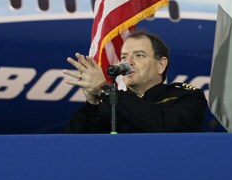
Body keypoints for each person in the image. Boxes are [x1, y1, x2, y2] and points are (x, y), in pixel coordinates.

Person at [62, 32, 206, 133]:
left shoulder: (187, 97)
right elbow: (72, 146)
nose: (128, 62)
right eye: (124, 56)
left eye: (139, 55)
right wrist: (92, 106)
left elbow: (164, 127)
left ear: (161, 65)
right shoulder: (111, 105)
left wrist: (104, 89)